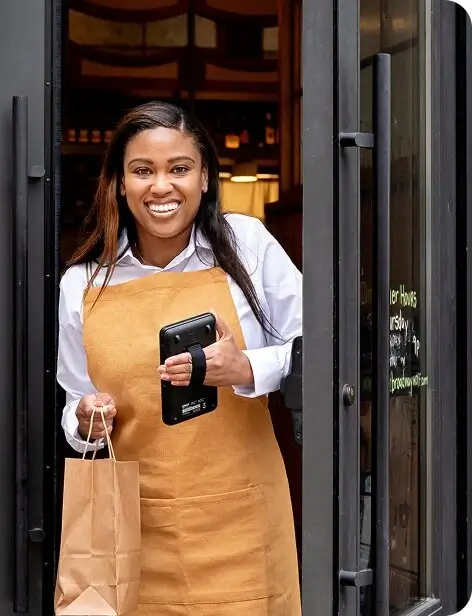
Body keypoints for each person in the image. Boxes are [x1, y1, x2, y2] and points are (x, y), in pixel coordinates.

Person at [56, 101, 303, 615]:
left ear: (206, 177)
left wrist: (247, 369)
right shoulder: (82, 283)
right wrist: (85, 420)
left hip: (241, 523)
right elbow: (76, 400)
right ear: (120, 184)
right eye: (142, 171)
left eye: (180, 169)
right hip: (132, 531)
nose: (161, 187)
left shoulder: (247, 246)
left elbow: (318, 351)